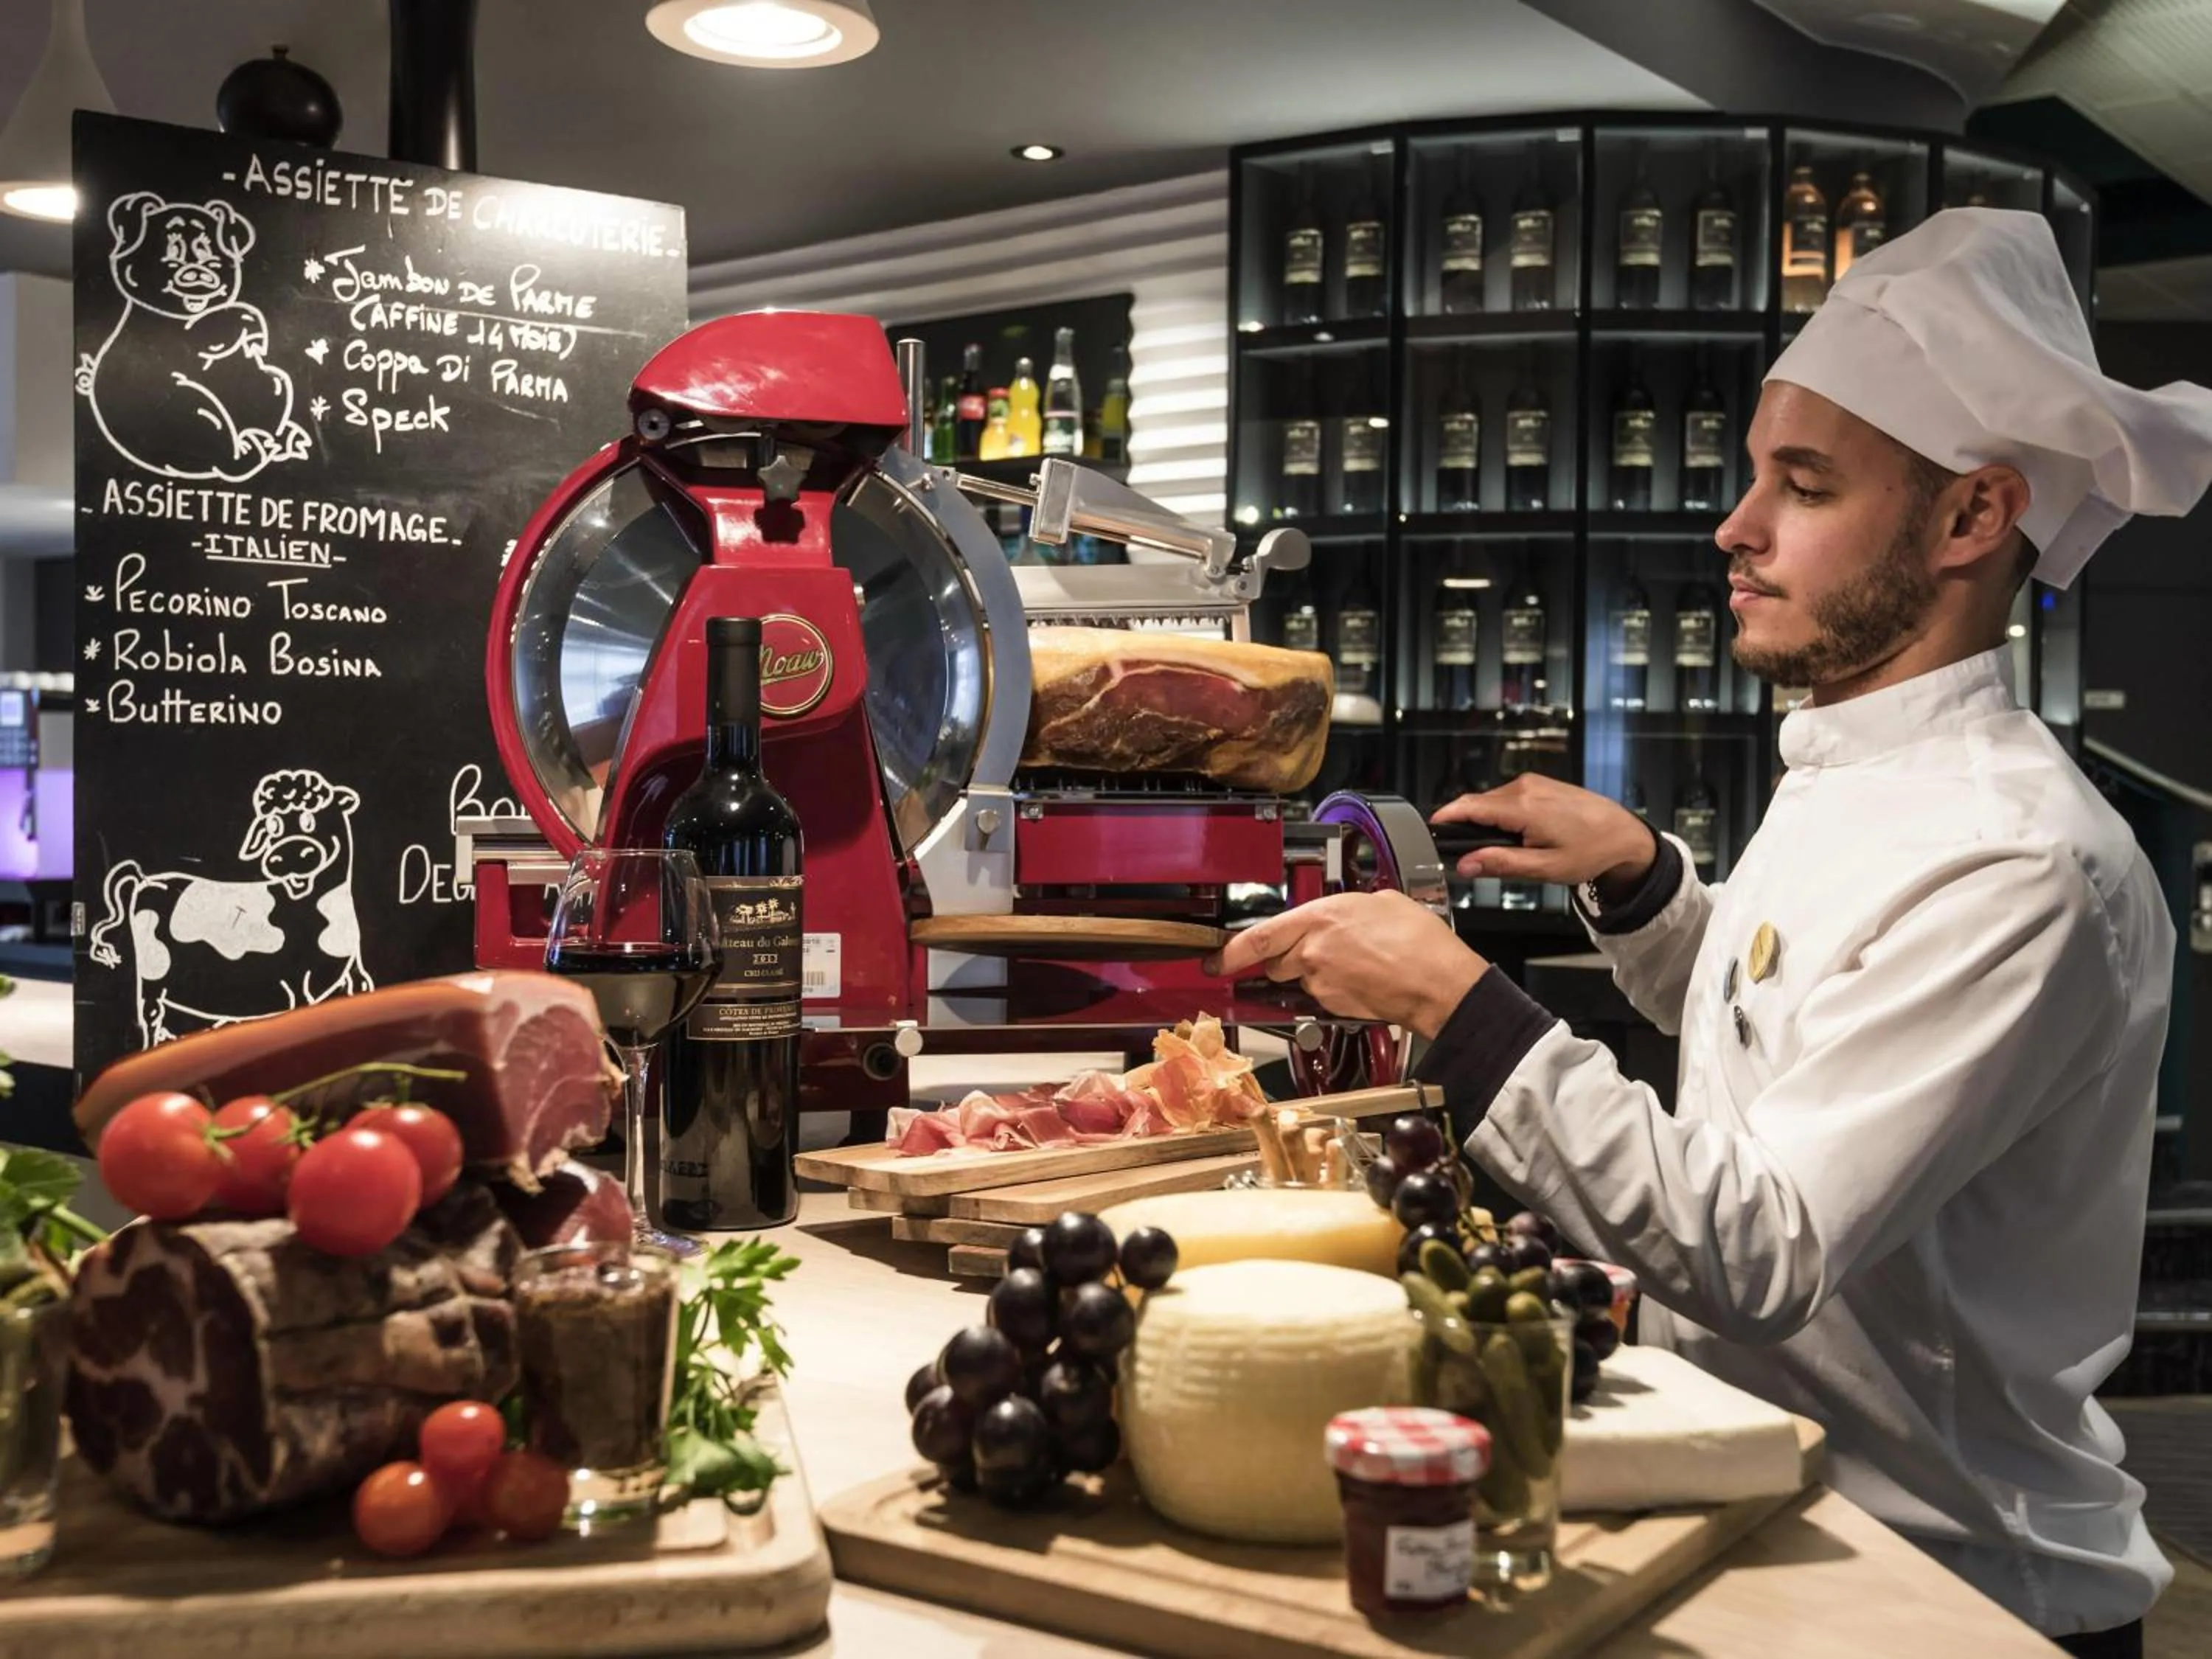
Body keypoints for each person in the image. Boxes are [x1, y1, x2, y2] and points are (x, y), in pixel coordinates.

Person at [1209, 209, 2212, 1659]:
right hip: (1779, 1504)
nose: (1734, 528)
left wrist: (1457, 1000)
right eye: (1755, 476)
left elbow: (1765, 1239)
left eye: (1800, 485)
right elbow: (1784, 1050)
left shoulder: (2024, 865)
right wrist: (1645, 889)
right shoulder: (1855, 762)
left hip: (1954, 1595)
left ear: (1970, 518)